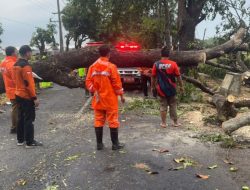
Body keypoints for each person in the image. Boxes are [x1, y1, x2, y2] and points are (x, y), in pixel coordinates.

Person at [86, 45, 125, 151]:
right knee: (113, 120)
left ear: (100, 53)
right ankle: (115, 145)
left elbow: (88, 82)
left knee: (98, 120)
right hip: (110, 99)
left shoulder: (92, 67)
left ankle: (99, 144)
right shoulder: (111, 66)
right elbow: (117, 84)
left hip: (98, 99)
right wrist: (121, 95)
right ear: (109, 54)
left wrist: (94, 90)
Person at [13, 45, 42, 148]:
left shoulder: (15, 65)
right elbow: (29, 84)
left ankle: (20, 140)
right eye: (31, 52)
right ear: (27, 53)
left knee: (21, 117)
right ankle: (30, 142)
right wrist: (34, 98)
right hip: (26, 96)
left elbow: (17, 80)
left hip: (18, 94)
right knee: (29, 118)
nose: (31, 54)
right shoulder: (25, 66)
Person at [151, 46, 184, 128]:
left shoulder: (156, 64)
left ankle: (164, 123)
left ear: (161, 54)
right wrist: (181, 86)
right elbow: (178, 76)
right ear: (169, 55)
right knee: (173, 104)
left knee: (163, 105)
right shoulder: (173, 64)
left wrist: (153, 87)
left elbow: (153, 76)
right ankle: (175, 123)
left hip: (161, 89)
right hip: (172, 88)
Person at [0, 46, 18, 134]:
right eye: (16, 51)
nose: (17, 52)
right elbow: (16, 79)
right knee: (16, 108)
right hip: (15, 89)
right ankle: (15, 127)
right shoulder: (11, 63)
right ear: (12, 53)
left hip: (9, 88)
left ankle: (15, 126)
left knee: (15, 107)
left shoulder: (3, 62)